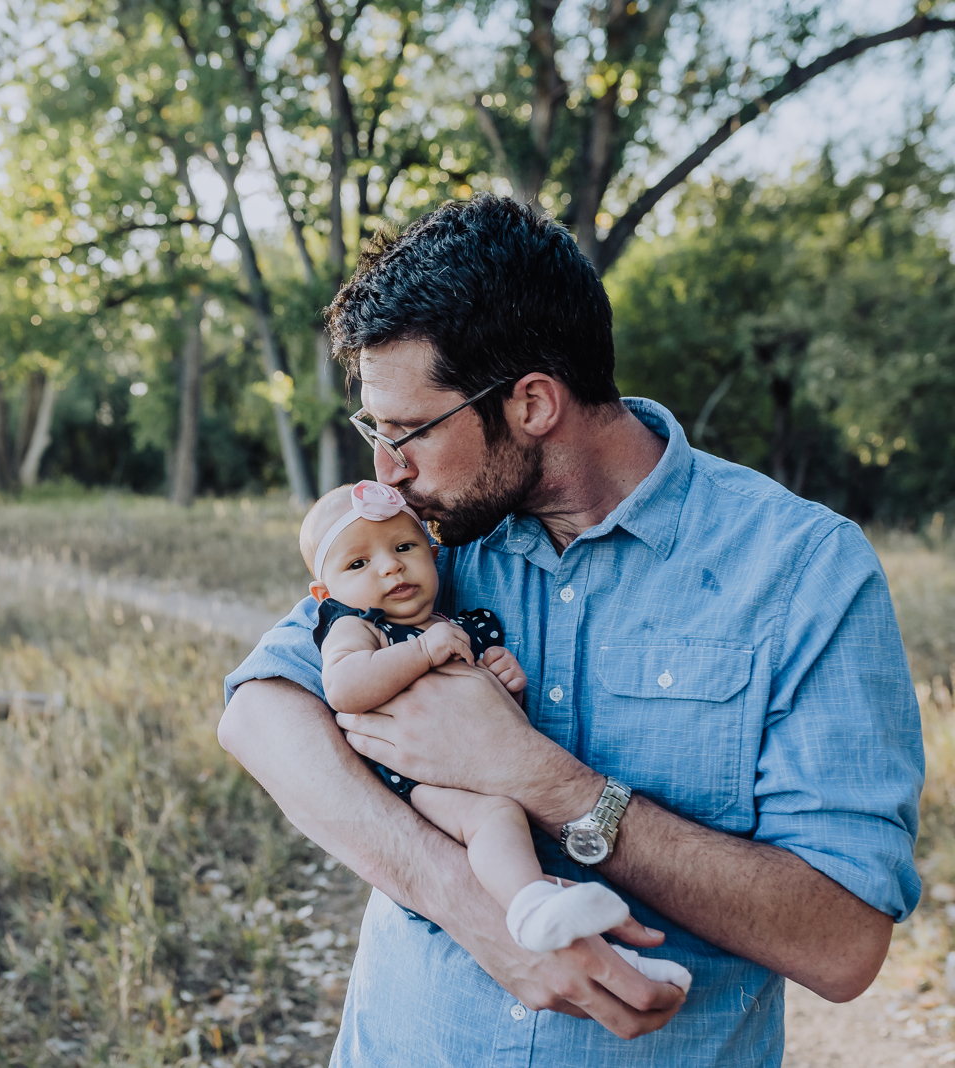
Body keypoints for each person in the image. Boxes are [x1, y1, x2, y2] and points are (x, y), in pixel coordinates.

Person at [218, 195, 922, 1066]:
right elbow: (260, 712)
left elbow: (844, 943)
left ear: (534, 405)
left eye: (408, 433)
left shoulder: (804, 569)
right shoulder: (423, 535)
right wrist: (484, 915)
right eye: (376, 429)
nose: (385, 471)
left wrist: (543, 781)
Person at [302, 477, 692, 988]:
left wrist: (504, 682)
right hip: (418, 784)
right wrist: (421, 652)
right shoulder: (357, 626)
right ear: (325, 592)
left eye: (404, 547)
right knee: (495, 818)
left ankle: (619, 960)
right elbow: (345, 688)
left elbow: (493, 726)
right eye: (358, 563)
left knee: (518, 837)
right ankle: (531, 907)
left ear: (434, 553)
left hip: (475, 770)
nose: (390, 566)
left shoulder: (460, 624)